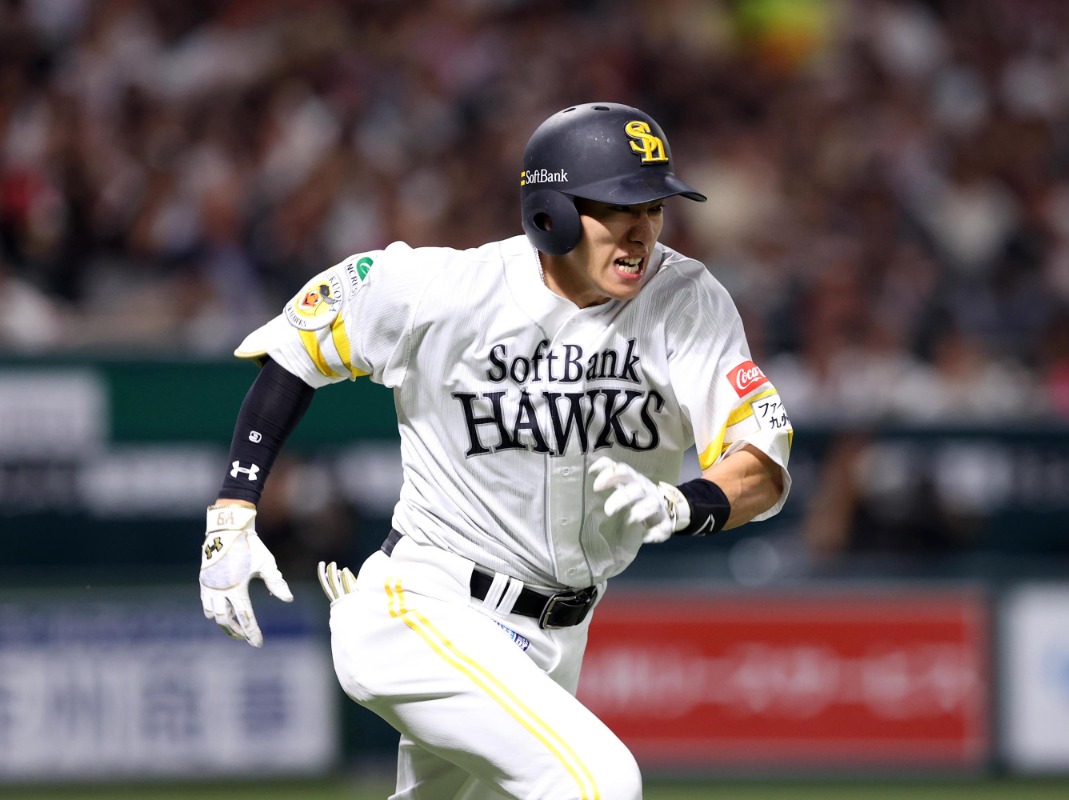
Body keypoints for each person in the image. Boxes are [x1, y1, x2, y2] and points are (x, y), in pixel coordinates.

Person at [198, 102, 793, 800]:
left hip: (557, 634)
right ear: (552, 213)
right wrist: (234, 509)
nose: (643, 230)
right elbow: (297, 349)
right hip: (424, 608)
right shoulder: (444, 290)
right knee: (599, 783)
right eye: (618, 208)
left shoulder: (685, 301)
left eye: (654, 207)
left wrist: (685, 504)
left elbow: (762, 459)